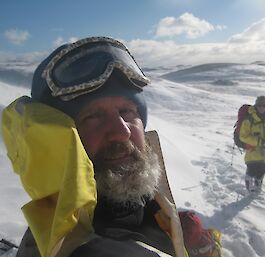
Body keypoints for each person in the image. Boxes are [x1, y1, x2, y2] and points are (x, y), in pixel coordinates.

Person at [2, 37, 221, 257]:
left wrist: (175, 233)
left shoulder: (144, 203)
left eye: (128, 112)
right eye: (93, 116)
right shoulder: (88, 250)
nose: (122, 132)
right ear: (59, 140)